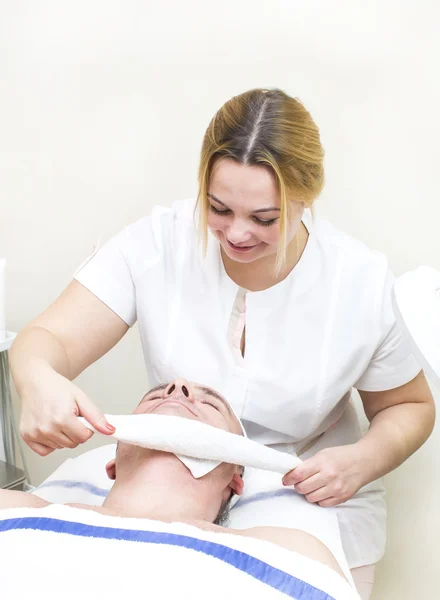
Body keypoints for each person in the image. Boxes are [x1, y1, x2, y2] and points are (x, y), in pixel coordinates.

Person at [10, 88, 435, 599]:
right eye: (217, 208)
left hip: (307, 491)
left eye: (264, 218)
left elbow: (409, 405)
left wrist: (363, 459)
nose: (235, 234)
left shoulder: (360, 284)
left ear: (307, 197)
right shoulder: (158, 244)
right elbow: (47, 339)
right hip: (170, 483)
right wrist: (37, 378)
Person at [0, 380, 354, 599]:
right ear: (113, 463)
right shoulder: (15, 509)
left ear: (235, 478)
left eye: (211, 402)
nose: (178, 387)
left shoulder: (291, 548)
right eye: (158, 393)